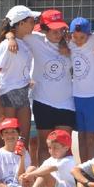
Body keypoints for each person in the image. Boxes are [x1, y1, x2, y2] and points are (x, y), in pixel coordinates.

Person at [9, 9, 75, 163]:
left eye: (61, 30)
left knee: (65, 146)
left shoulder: (70, 42)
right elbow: (11, 29)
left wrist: (66, 42)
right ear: (44, 29)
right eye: (53, 30)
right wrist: (10, 38)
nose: (58, 34)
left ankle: (65, 181)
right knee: (45, 146)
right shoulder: (35, 39)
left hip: (66, 103)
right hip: (42, 102)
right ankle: (45, 182)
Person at [0, 6, 39, 152]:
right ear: (20, 23)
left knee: (23, 141)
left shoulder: (24, 41)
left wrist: (10, 35)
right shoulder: (6, 45)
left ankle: (21, 173)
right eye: (31, 21)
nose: (33, 24)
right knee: (1, 141)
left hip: (22, 94)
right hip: (7, 95)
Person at [3, 129, 76, 187]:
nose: (51, 151)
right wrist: (25, 176)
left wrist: (30, 175)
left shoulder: (68, 160)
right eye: (49, 148)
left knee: (43, 174)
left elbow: (48, 169)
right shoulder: (50, 160)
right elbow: (38, 171)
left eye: (55, 148)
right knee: (31, 169)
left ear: (66, 148)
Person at [67, 17, 94, 164]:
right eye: (75, 36)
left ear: (88, 34)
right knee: (81, 136)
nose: (78, 40)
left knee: (92, 137)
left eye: (82, 37)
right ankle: (83, 168)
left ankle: (93, 168)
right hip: (77, 96)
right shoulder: (69, 43)